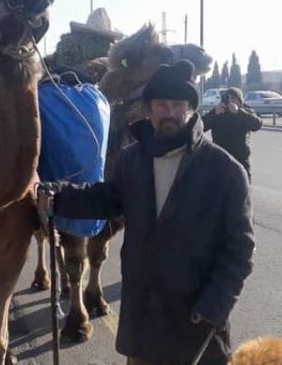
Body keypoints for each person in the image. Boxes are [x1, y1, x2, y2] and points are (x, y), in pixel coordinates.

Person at [36, 60, 255, 365]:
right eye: (161, 104)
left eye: (177, 104)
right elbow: (106, 199)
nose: (169, 112)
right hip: (143, 319)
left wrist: (212, 310)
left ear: (190, 108)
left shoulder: (224, 171)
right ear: (149, 109)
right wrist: (58, 196)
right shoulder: (132, 161)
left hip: (195, 324)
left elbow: (240, 250)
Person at [201, 87, 262, 180]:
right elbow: (200, 127)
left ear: (239, 101)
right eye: (227, 98)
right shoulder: (219, 111)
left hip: (240, 159)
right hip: (220, 159)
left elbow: (256, 125)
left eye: (233, 99)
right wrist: (214, 113)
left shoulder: (245, 111)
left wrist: (238, 112)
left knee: (243, 189)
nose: (229, 102)